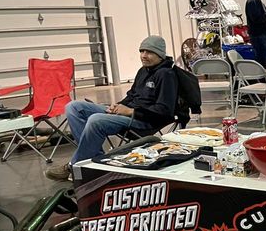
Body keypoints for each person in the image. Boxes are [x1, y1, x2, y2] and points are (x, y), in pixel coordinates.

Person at [45, 36, 177, 181]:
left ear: (160, 55)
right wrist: (118, 105)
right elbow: (132, 95)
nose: (143, 55)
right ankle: (96, 160)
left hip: (144, 121)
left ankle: (74, 166)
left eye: (149, 52)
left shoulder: (166, 75)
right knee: (73, 107)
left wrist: (131, 111)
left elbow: (164, 111)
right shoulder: (143, 71)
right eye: (142, 51)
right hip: (127, 114)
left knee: (96, 120)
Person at [244, 0, 266, 65]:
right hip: (258, 36)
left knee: (263, 60)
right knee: (261, 61)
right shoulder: (252, 1)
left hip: (261, 36)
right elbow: (257, 19)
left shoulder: (257, 1)